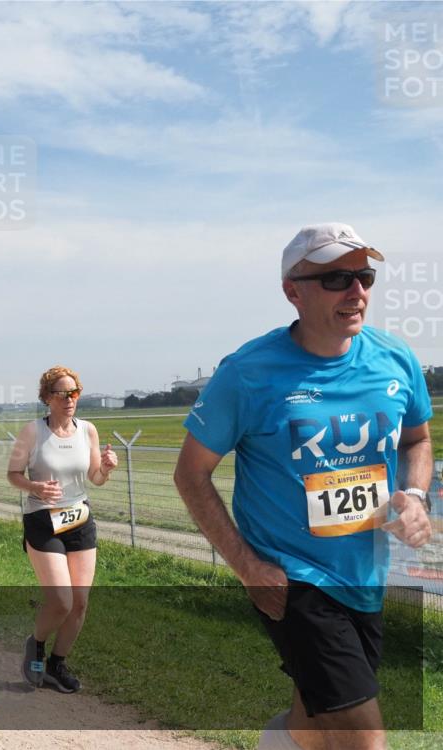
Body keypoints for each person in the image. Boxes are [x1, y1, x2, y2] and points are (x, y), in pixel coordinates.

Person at [173, 223, 434, 750]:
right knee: (365, 736)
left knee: (317, 719)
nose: (356, 291)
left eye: (364, 276)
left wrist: (417, 495)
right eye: (337, 278)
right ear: (294, 290)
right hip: (292, 579)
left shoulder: (395, 358)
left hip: (364, 572)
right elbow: (190, 473)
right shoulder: (248, 372)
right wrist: (248, 567)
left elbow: (418, 441)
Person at [7, 366, 118, 693]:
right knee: (61, 600)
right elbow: (13, 474)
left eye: (75, 393)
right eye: (62, 393)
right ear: (47, 398)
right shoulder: (32, 432)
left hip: (79, 519)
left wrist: (107, 469)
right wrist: (35, 487)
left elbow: (95, 478)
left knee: (80, 603)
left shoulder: (88, 431)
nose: (70, 399)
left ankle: (57, 664)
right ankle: (36, 644)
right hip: (43, 520)